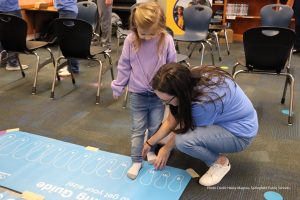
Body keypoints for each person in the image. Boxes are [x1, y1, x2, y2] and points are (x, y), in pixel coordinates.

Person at [142, 63, 258, 187]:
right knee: (172, 121)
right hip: (232, 120)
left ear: (180, 93)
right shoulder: (189, 78)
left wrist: (166, 148)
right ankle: (213, 143)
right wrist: (150, 142)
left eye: (166, 101)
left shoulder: (202, 103)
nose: (163, 103)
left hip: (240, 135)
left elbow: (184, 129)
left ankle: (220, 162)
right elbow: (172, 120)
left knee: (182, 141)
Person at [111, 1, 176, 180]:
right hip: (137, 94)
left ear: (161, 27)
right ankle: (136, 160)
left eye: (152, 33)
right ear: (135, 27)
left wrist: (172, 89)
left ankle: (150, 150)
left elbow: (172, 66)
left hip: (158, 96)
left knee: (155, 126)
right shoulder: (131, 40)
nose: (147, 37)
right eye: (143, 33)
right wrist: (118, 85)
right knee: (138, 128)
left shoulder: (167, 39)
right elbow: (124, 66)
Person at [0, 0, 29, 71]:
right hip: (10, 8)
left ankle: (3, 60)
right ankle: (12, 63)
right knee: (14, 37)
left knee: (2, 35)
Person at [54, 0, 80, 76]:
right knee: (68, 41)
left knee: (68, 42)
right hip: (67, 10)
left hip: (67, 10)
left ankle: (73, 68)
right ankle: (72, 67)